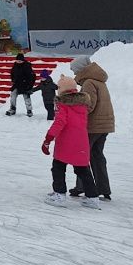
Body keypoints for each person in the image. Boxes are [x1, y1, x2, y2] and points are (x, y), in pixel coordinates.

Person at [42, 76, 101, 209]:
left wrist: (48, 139)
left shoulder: (62, 105)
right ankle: (92, 197)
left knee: (58, 167)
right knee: (83, 170)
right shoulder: (83, 104)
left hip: (66, 143)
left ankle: (59, 194)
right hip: (81, 142)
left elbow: (59, 123)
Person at [69, 56, 114, 201]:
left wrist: (74, 114)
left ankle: (82, 187)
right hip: (104, 125)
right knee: (97, 156)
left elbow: (88, 105)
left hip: (93, 126)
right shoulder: (99, 80)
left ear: (80, 69)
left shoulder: (88, 82)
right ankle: (103, 189)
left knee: (81, 156)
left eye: (75, 71)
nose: (74, 74)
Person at [7, 52, 36, 117]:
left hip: (25, 84)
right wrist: (13, 80)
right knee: (13, 95)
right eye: (17, 60)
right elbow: (12, 73)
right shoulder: (15, 65)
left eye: (20, 61)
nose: (18, 62)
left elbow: (33, 77)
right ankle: (12, 109)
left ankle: (29, 110)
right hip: (17, 84)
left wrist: (30, 86)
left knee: (26, 97)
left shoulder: (27, 66)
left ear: (22, 60)